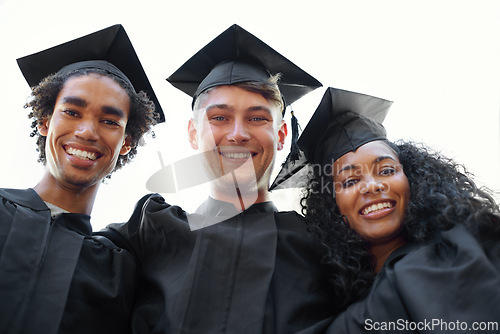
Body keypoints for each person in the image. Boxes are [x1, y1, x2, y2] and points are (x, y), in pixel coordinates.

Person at [98, 24, 336, 333]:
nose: (237, 133)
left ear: (281, 134)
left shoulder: (322, 247)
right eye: (219, 118)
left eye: (257, 118)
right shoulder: (146, 235)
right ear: (194, 134)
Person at [273, 87, 500, 332]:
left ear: (412, 180)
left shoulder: (460, 254)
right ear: (332, 206)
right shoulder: (334, 299)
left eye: (386, 170)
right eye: (350, 181)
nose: (371, 186)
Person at [0, 24, 163, 334]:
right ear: (45, 120)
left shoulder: (120, 272)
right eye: (72, 112)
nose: (87, 131)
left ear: (126, 142)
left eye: (109, 121)